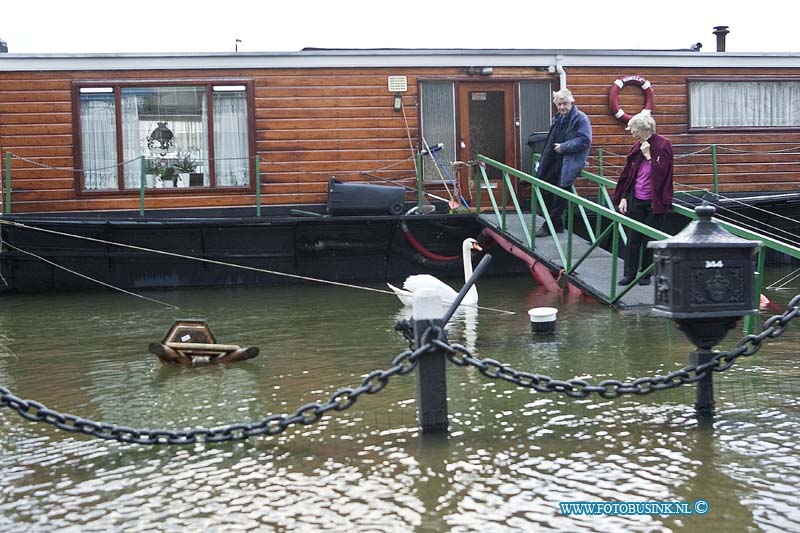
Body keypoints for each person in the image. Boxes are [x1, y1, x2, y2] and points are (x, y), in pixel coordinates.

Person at [612, 109, 674, 286]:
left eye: (635, 131)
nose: (633, 135)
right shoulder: (636, 146)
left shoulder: (663, 145)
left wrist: (648, 156)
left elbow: (663, 174)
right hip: (636, 198)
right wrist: (623, 197)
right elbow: (628, 174)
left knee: (650, 239)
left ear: (646, 130)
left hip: (655, 201)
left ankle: (646, 274)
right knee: (633, 238)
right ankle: (629, 274)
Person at [534, 88, 592, 237]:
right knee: (544, 187)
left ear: (571, 102)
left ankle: (549, 227)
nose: (562, 107)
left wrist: (564, 147)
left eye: (565, 104)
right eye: (559, 104)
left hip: (569, 162)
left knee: (561, 195)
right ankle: (557, 224)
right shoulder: (557, 118)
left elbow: (585, 140)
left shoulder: (581, 118)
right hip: (554, 159)